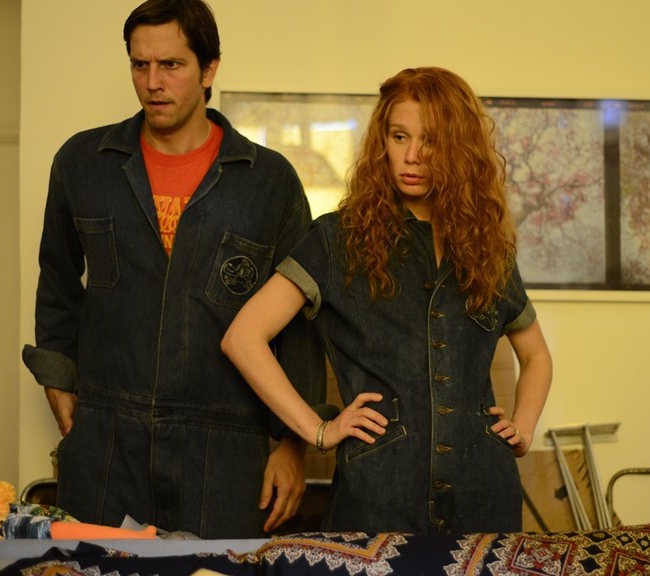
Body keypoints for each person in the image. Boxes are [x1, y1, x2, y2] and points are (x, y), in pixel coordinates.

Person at [21, 0, 327, 538]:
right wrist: (56, 377)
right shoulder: (83, 164)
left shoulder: (268, 182)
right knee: (94, 572)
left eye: (171, 65)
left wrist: (292, 444)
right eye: (140, 65)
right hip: (107, 441)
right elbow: (58, 281)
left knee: (216, 573)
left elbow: (298, 326)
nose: (152, 82)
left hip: (225, 447)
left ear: (209, 69)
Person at [222, 67, 553, 534]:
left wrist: (524, 423)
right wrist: (319, 431)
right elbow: (242, 338)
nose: (412, 156)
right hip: (378, 499)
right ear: (383, 141)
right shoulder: (336, 239)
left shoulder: (486, 247)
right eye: (399, 137)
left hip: (486, 498)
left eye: (430, 141)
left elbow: (536, 356)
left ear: (459, 148)